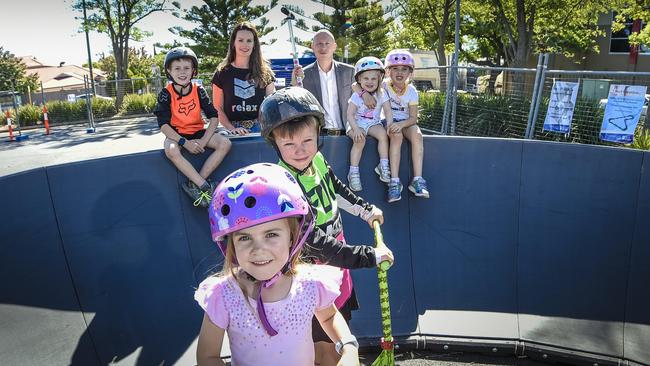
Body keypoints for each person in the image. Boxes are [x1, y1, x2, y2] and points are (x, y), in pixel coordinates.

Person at [259, 87, 394, 366]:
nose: (300, 150)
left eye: (308, 140)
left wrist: (365, 210)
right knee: (324, 345)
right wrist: (368, 256)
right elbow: (314, 241)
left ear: (318, 134)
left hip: (336, 261)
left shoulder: (317, 160)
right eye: (289, 145)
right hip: (312, 270)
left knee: (339, 323)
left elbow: (335, 189)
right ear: (275, 144)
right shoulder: (284, 185)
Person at [195, 163, 360, 366]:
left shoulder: (310, 284)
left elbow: (329, 317)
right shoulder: (224, 295)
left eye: (271, 234)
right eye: (244, 238)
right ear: (230, 245)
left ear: (293, 237)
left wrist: (348, 346)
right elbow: (207, 356)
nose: (258, 249)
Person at [153, 47, 231, 208]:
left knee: (225, 144)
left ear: (193, 70)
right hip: (177, 134)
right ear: (169, 71)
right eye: (177, 68)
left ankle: (195, 184)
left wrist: (203, 141)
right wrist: (184, 143)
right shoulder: (165, 94)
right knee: (171, 149)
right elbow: (163, 125)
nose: (182, 72)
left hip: (197, 132)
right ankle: (204, 186)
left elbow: (214, 117)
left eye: (187, 68)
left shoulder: (199, 90)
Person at [353, 49, 429, 202]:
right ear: (387, 71)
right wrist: (365, 94)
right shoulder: (383, 86)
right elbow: (355, 85)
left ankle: (418, 179)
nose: (399, 73)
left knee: (417, 135)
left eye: (404, 69)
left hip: (405, 123)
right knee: (395, 135)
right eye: (395, 68)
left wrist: (401, 124)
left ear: (410, 72)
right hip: (389, 123)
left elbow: (414, 118)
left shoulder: (412, 92)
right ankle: (394, 182)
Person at [212, 22, 275, 136]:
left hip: (260, 129)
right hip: (231, 130)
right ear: (233, 43)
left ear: (254, 44)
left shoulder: (265, 73)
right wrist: (232, 129)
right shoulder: (221, 73)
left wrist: (294, 82)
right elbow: (218, 108)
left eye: (249, 41)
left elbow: (273, 102)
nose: (245, 45)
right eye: (240, 40)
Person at [291, 30, 354, 136]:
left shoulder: (349, 71)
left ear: (334, 46)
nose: (323, 47)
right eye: (319, 44)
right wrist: (294, 84)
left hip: (348, 135)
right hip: (319, 136)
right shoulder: (302, 76)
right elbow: (296, 104)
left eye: (327, 43)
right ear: (312, 47)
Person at [346, 56, 393, 192]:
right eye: (366, 78)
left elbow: (388, 111)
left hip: (373, 123)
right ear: (359, 80)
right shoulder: (357, 96)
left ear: (380, 79)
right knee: (360, 140)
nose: (370, 82)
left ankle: (383, 165)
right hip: (356, 124)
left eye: (374, 78)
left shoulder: (382, 94)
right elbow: (349, 114)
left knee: (383, 135)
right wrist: (355, 129)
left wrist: (389, 125)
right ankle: (353, 172)